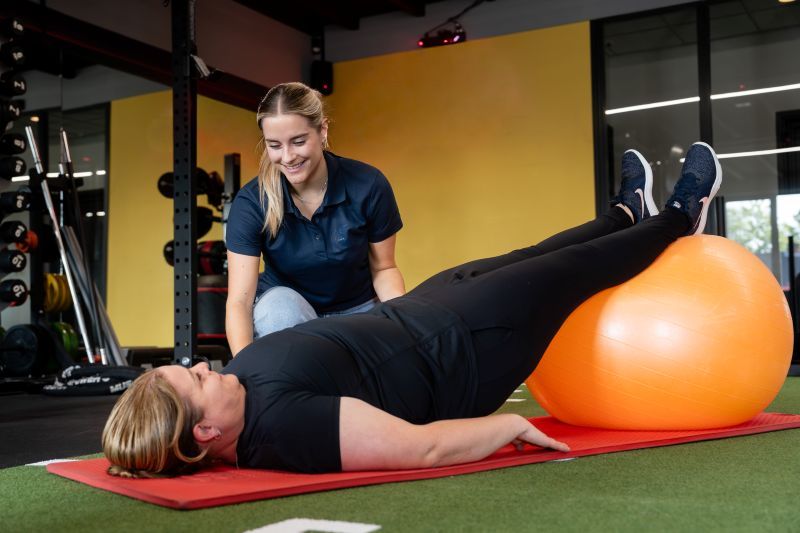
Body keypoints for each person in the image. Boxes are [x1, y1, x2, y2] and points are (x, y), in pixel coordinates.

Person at [103, 142, 723, 477]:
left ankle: (622, 216)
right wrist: (508, 428)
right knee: (570, 275)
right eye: (197, 381)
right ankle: (681, 217)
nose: (208, 369)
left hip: (427, 310)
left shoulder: (241, 388)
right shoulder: (285, 430)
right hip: (467, 349)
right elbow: (419, 449)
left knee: (533, 254)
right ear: (207, 433)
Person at [225, 82, 405, 355]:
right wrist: (245, 372)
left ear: (322, 130)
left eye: (298, 141)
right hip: (289, 318)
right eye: (275, 145)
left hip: (358, 312)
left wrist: (404, 329)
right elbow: (239, 300)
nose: (287, 157)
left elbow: (384, 269)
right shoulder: (253, 202)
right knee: (278, 310)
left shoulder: (368, 184)